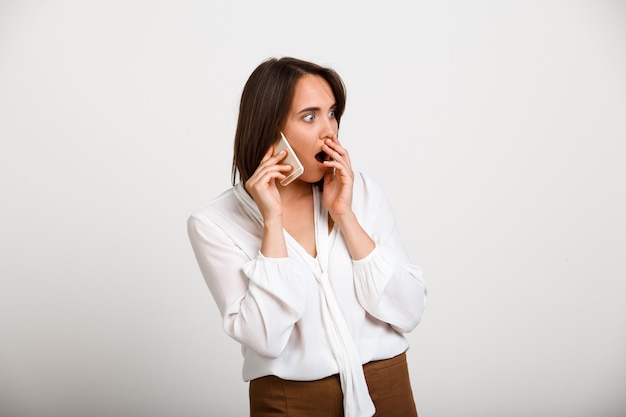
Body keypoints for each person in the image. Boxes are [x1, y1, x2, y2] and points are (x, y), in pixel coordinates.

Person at [187, 57, 427, 417]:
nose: (329, 131)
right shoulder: (214, 223)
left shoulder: (361, 193)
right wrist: (272, 221)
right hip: (289, 401)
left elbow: (408, 311)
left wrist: (344, 215)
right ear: (271, 130)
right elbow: (266, 338)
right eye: (310, 117)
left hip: (386, 388)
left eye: (332, 113)